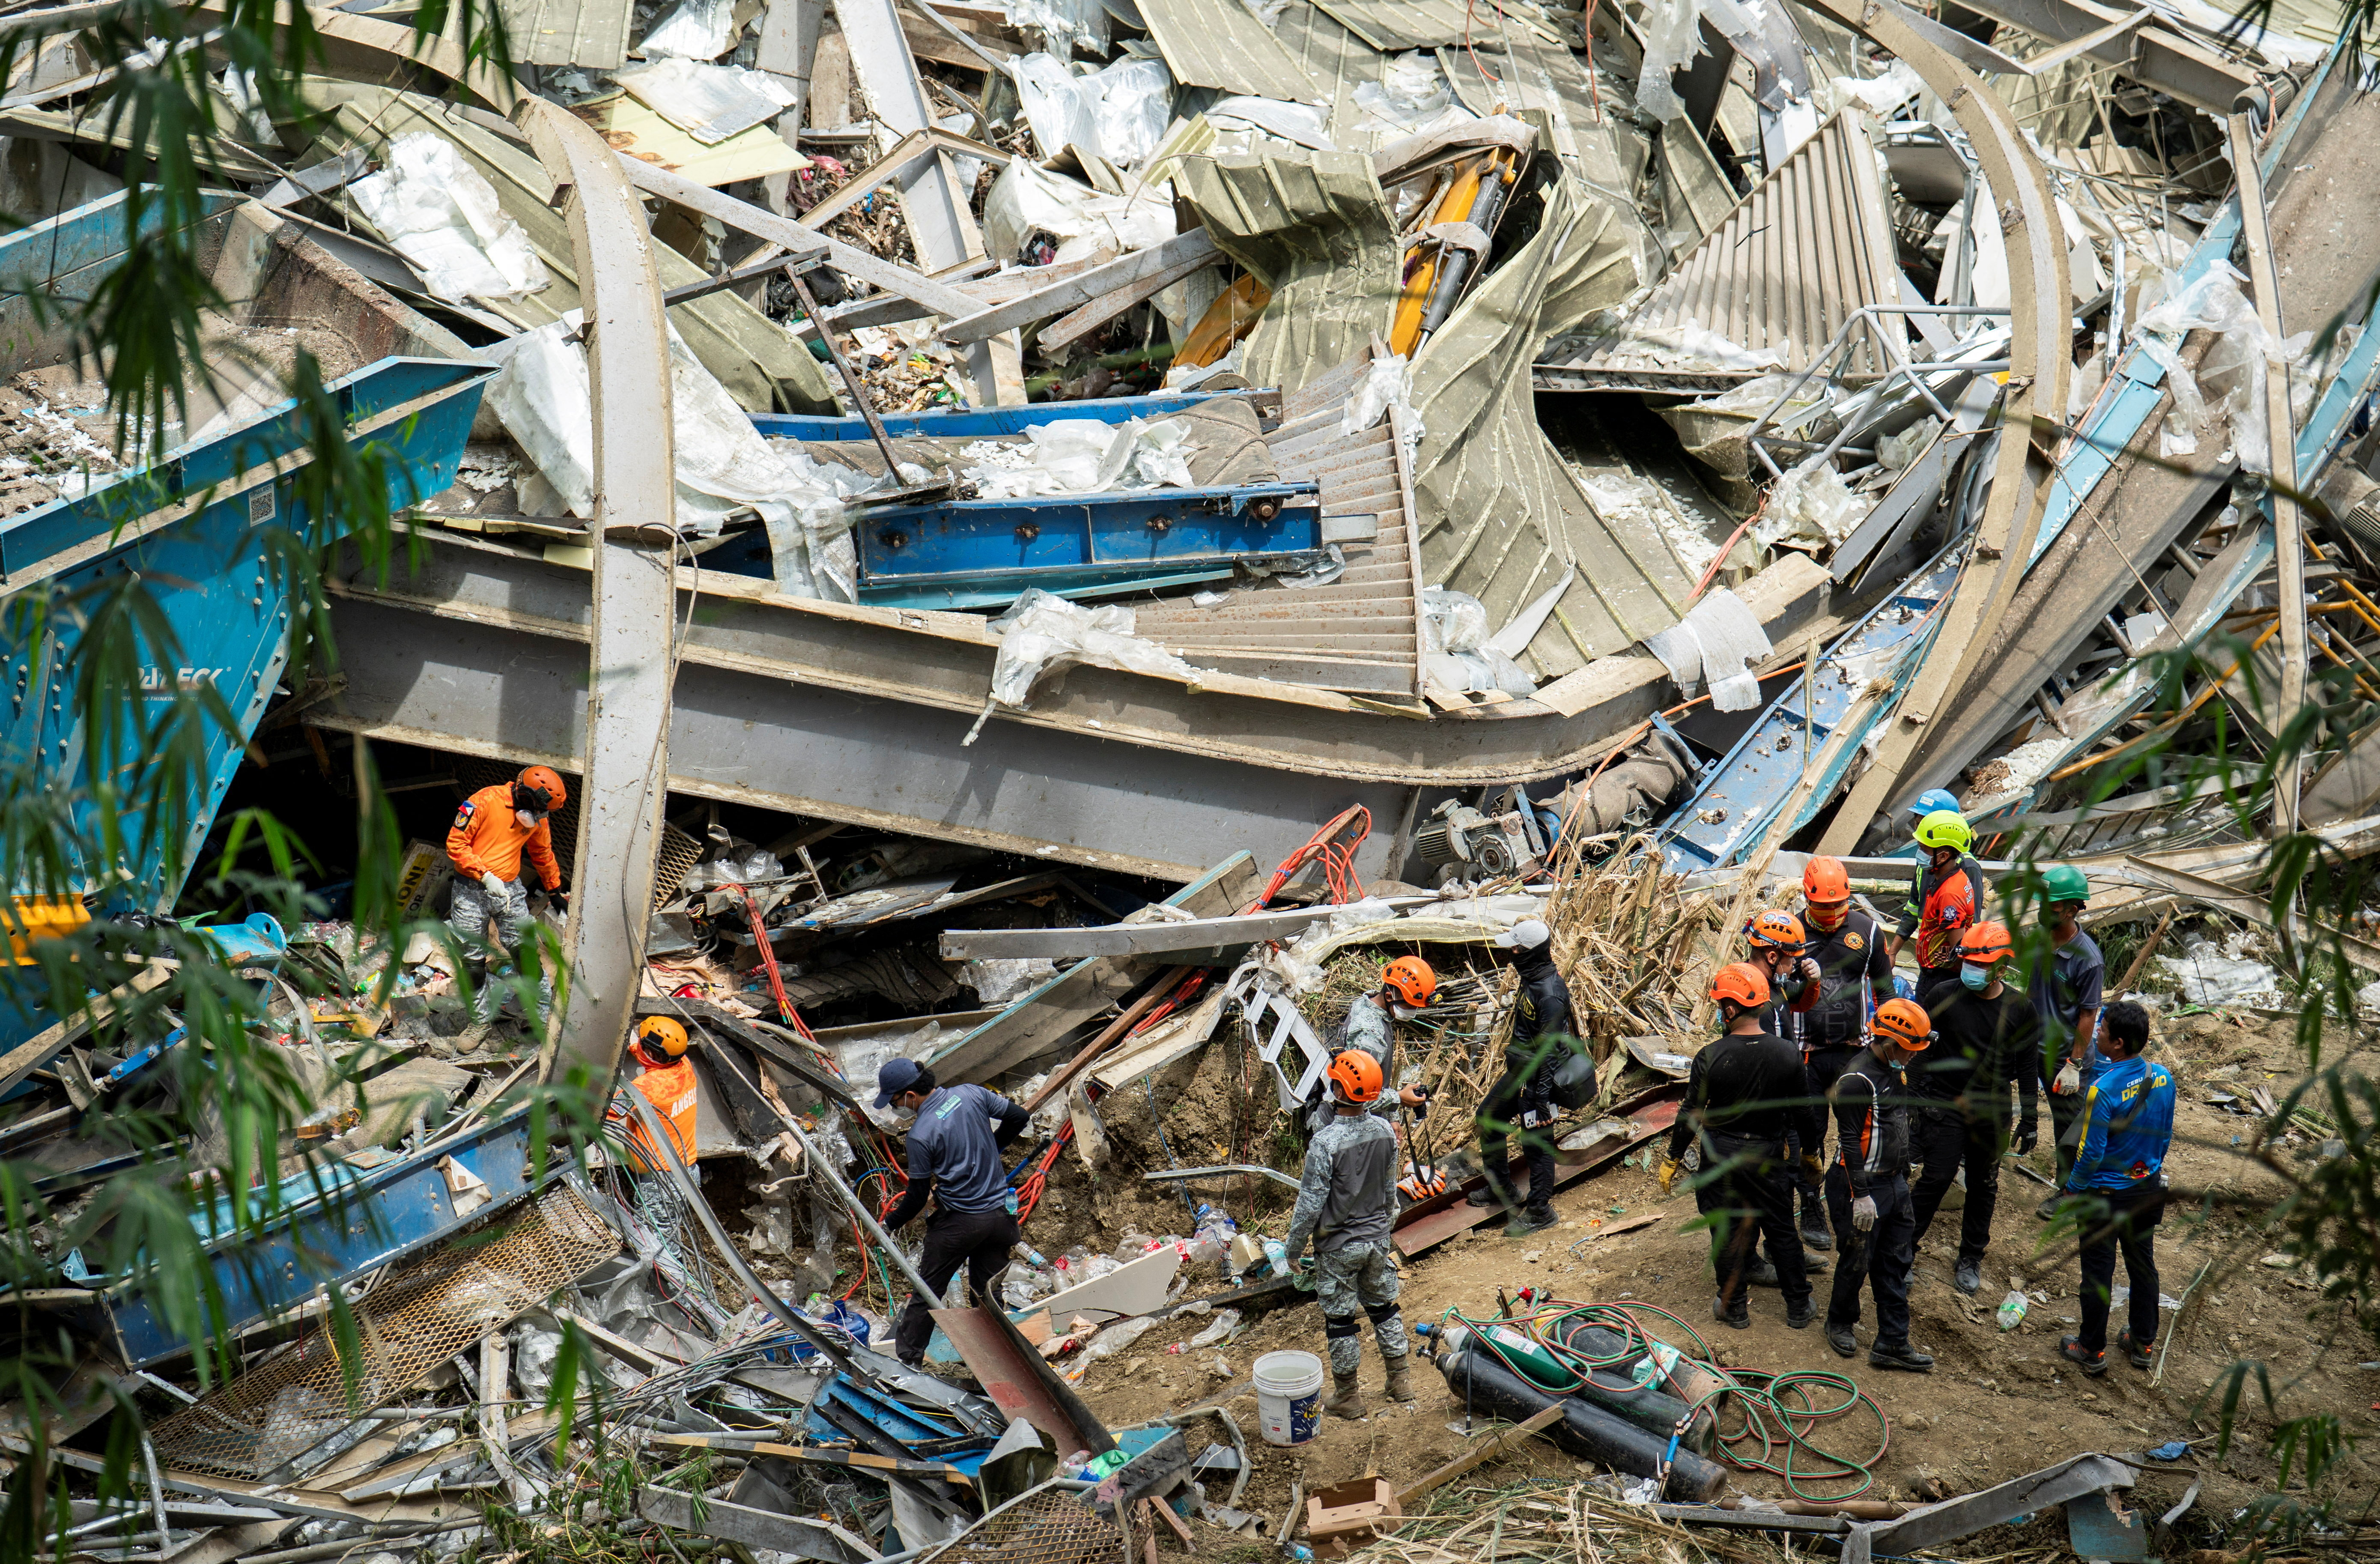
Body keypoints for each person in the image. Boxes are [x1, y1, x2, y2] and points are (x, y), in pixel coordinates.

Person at [1659, 963, 1813, 1331]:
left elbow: (1690, 1114)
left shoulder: (1711, 1056)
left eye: (1719, 1005)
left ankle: (1735, 1308)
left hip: (1721, 1159)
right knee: (1781, 1229)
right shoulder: (1788, 1054)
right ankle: (1798, 1308)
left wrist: (1673, 1158)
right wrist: (1810, 1152)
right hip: (1768, 1157)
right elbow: (1804, 1111)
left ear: (1730, 1010)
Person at [1911, 922, 2041, 1294]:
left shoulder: (2020, 1009)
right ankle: (1905, 1248)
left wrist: (2030, 1118)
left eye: (1981, 966)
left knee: (1984, 1183)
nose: (1971, 970)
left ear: (2001, 969)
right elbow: (1919, 1048)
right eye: (1968, 961)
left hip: (1991, 1111)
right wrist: (1911, 1100)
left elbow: (2029, 1067)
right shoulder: (1943, 995)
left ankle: (1971, 1257)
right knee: (1936, 1178)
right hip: (1945, 1104)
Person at [876, 1057, 1032, 1367]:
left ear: (910, 1095)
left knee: (927, 1293)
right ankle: (1004, 1364)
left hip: (960, 1224)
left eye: (895, 1101)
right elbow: (1019, 1117)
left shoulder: (920, 1134)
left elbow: (918, 1195)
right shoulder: (972, 1093)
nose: (897, 1108)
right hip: (1001, 1216)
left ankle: (907, 1367)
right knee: (988, 1296)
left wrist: (888, 1224)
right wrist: (990, 1147)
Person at [1282, 1050, 1411, 1418]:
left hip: (1339, 1246)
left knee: (1340, 1322)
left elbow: (1309, 1205)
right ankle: (1400, 1382)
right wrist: (1385, 1230)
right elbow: (1390, 1192)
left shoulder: (1325, 1143)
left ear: (1338, 1088)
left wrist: (1293, 1249)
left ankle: (1349, 1398)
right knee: (1385, 1309)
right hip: (1376, 1239)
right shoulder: (1386, 1131)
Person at [2059, 1000, 2174, 1377]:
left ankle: (2091, 1348)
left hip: (2104, 1195)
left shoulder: (2103, 1090)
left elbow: (2090, 1153)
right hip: (2146, 1188)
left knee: (2098, 1272)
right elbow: (2165, 1135)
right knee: (2143, 1266)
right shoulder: (2163, 1078)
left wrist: (2074, 1188)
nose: (2098, 1035)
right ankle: (2142, 1342)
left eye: (2103, 1030)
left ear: (2119, 1043)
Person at [1823, 997, 1934, 1371]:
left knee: (1896, 1260)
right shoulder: (1857, 1079)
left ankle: (1892, 1341)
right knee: (1857, 1259)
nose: (1913, 1056)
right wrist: (1862, 1196)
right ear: (1888, 1044)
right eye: (1908, 1049)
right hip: (1859, 1185)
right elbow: (1851, 1139)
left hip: (1893, 1183)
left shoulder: (1896, 1070)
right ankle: (1840, 1321)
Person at [1795, 856, 1895, 1252]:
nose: (1834, 915)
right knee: (1810, 1134)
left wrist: (1888, 1040)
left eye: (1840, 906)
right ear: (1808, 900)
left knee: (1859, 1131)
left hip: (1852, 1052)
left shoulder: (1867, 931)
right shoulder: (1791, 930)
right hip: (1805, 1053)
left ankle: (1859, 1196)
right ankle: (1810, 1206)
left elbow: (1884, 990)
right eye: (1824, 908)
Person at [445, 765, 571, 1048]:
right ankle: (478, 1024)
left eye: (544, 811)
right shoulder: (483, 802)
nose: (539, 816)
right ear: (524, 794)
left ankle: (541, 1020)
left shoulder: (537, 817)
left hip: (509, 890)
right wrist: (485, 875)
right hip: (470, 891)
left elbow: (542, 852)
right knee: (472, 963)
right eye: (538, 808)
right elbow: (456, 844)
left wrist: (554, 890)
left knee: (526, 955)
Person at [1468, 920, 1569, 1235]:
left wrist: (1540, 1100)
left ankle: (1540, 1211)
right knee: (1488, 1117)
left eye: (1516, 950)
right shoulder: (1532, 978)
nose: (1511, 954)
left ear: (1533, 953)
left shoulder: (1551, 995)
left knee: (1536, 1144)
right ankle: (1503, 1188)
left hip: (1540, 1079)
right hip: (1522, 1073)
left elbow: (1550, 1052)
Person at [2031, 863, 2106, 1218]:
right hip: (2034, 1047)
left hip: (2064, 1058)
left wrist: (2074, 1064)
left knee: (2069, 1132)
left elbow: (2088, 1015)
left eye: (2053, 907)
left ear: (2072, 910)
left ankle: (2071, 1192)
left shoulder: (2087, 960)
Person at [1887, 809, 1984, 992]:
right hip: (1936, 974)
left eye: (1924, 850)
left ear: (1943, 856)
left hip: (1940, 978)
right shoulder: (1951, 877)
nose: (1920, 854)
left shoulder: (1950, 893)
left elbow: (1958, 949)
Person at [1334, 956, 1436, 1129]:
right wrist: (1399, 1098)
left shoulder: (1369, 1004)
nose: (1414, 1012)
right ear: (1390, 996)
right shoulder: (1370, 1035)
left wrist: (1391, 1116)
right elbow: (1357, 1097)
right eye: (1410, 1006)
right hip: (1348, 1128)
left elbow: (1376, 1083)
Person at [609, 1016, 698, 1173]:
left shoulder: (647, 1087)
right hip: (688, 1168)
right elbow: (649, 1055)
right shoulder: (683, 1063)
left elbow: (606, 1112)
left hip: (659, 1177)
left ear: (650, 1051)